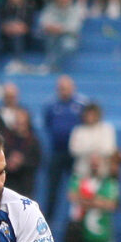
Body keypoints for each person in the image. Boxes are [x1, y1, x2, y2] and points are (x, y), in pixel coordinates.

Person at [41, 75, 86, 221]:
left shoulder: (82, 104)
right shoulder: (51, 106)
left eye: (66, 88)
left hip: (76, 154)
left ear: (73, 88)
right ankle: (48, 223)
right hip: (57, 152)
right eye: (61, 88)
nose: (64, 91)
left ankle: (77, 223)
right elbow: (48, 124)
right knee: (52, 190)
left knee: (78, 189)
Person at [38, 0, 83, 74]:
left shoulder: (76, 8)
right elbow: (43, 23)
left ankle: (51, 65)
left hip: (69, 37)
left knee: (68, 45)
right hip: (53, 36)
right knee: (50, 36)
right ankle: (52, 66)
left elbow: (74, 27)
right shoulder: (50, 7)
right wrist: (54, 28)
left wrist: (59, 28)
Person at [69, 102, 117, 179]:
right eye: (88, 115)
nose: (90, 117)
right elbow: (74, 150)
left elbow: (109, 149)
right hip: (82, 171)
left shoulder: (107, 129)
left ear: (98, 115)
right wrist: (92, 150)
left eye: (93, 115)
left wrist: (95, 154)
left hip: (103, 172)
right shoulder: (78, 130)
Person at [3, 109, 42, 197]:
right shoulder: (6, 139)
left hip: (25, 185)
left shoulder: (33, 141)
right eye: (18, 122)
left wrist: (21, 162)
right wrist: (9, 162)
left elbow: (37, 162)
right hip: (8, 183)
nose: (20, 125)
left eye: (22, 122)